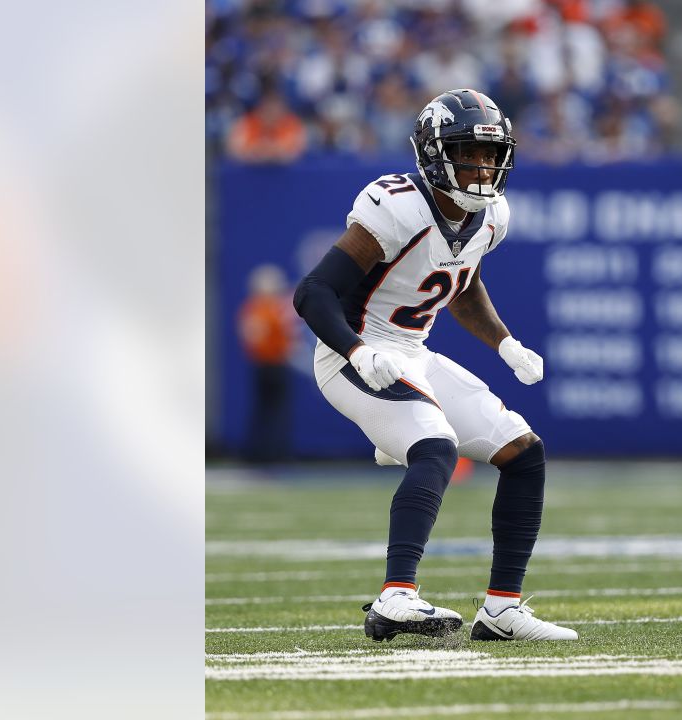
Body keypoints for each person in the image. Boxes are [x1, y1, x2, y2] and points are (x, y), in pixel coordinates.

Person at [292, 89, 577, 642]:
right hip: (354, 353)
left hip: (413, 352)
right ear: (433, 152)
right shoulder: (397, 206)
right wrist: (356, 349)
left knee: (524, 452)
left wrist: (505, 344)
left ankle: (501, 611)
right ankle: (396, 595)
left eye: (493, 155)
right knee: (437, 445)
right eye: (470, 152)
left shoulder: (492, 217)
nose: (483, 166)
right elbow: (314, 291)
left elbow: (461, 286)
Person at [238, 264, 296, 462]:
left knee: (271, 410)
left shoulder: (262, 307)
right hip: (270, 364)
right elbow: (255, 335)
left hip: (271, 363)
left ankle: (270, 452)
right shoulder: (263, 308)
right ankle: (266, 454)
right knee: (270, 410)